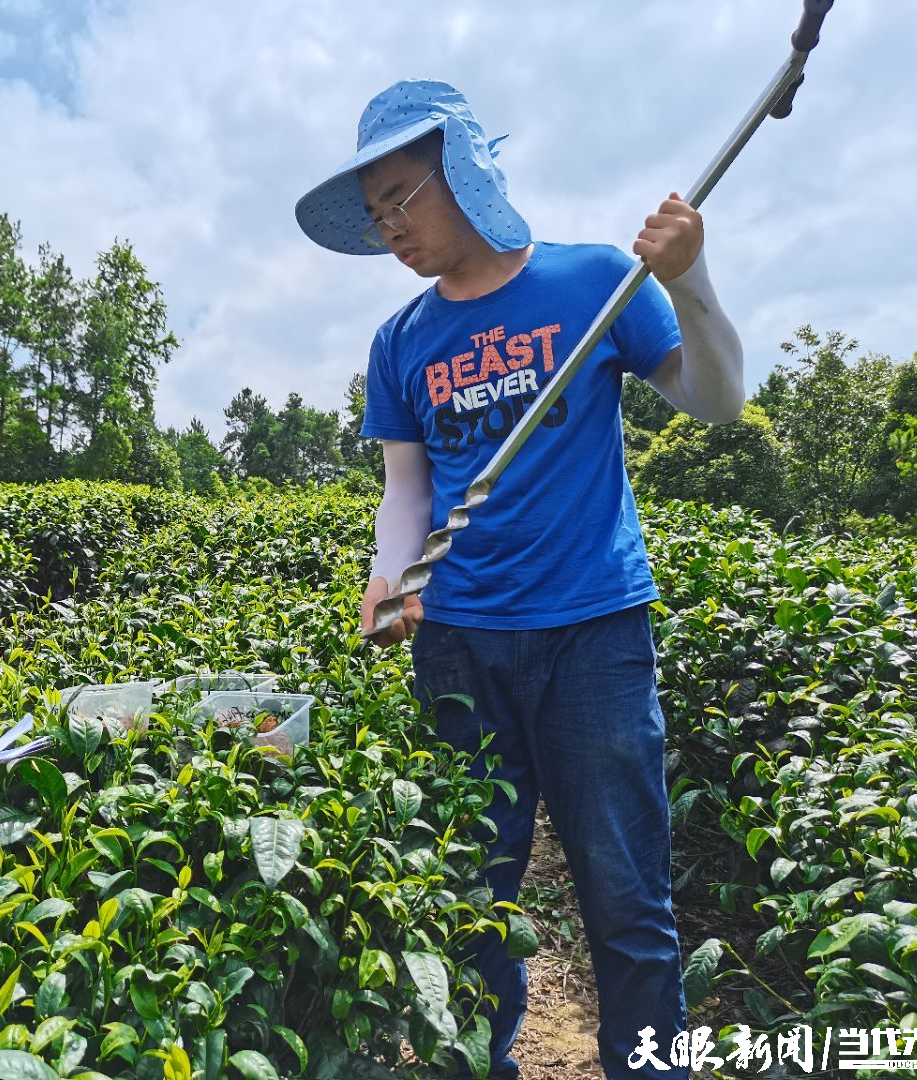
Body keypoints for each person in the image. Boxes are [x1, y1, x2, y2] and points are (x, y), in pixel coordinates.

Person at [295, 81, 744, 1078]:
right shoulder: (402, 341)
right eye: (375, 216)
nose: (390, 229)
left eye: (401, 198)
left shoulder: (595, 285)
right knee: (472, 894)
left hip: (594, 637)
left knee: (627, 898)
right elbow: (406, 492)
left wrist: (693, 276)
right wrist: (387, 575)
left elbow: (717, 401)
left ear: (464, 170)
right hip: (460, 645)